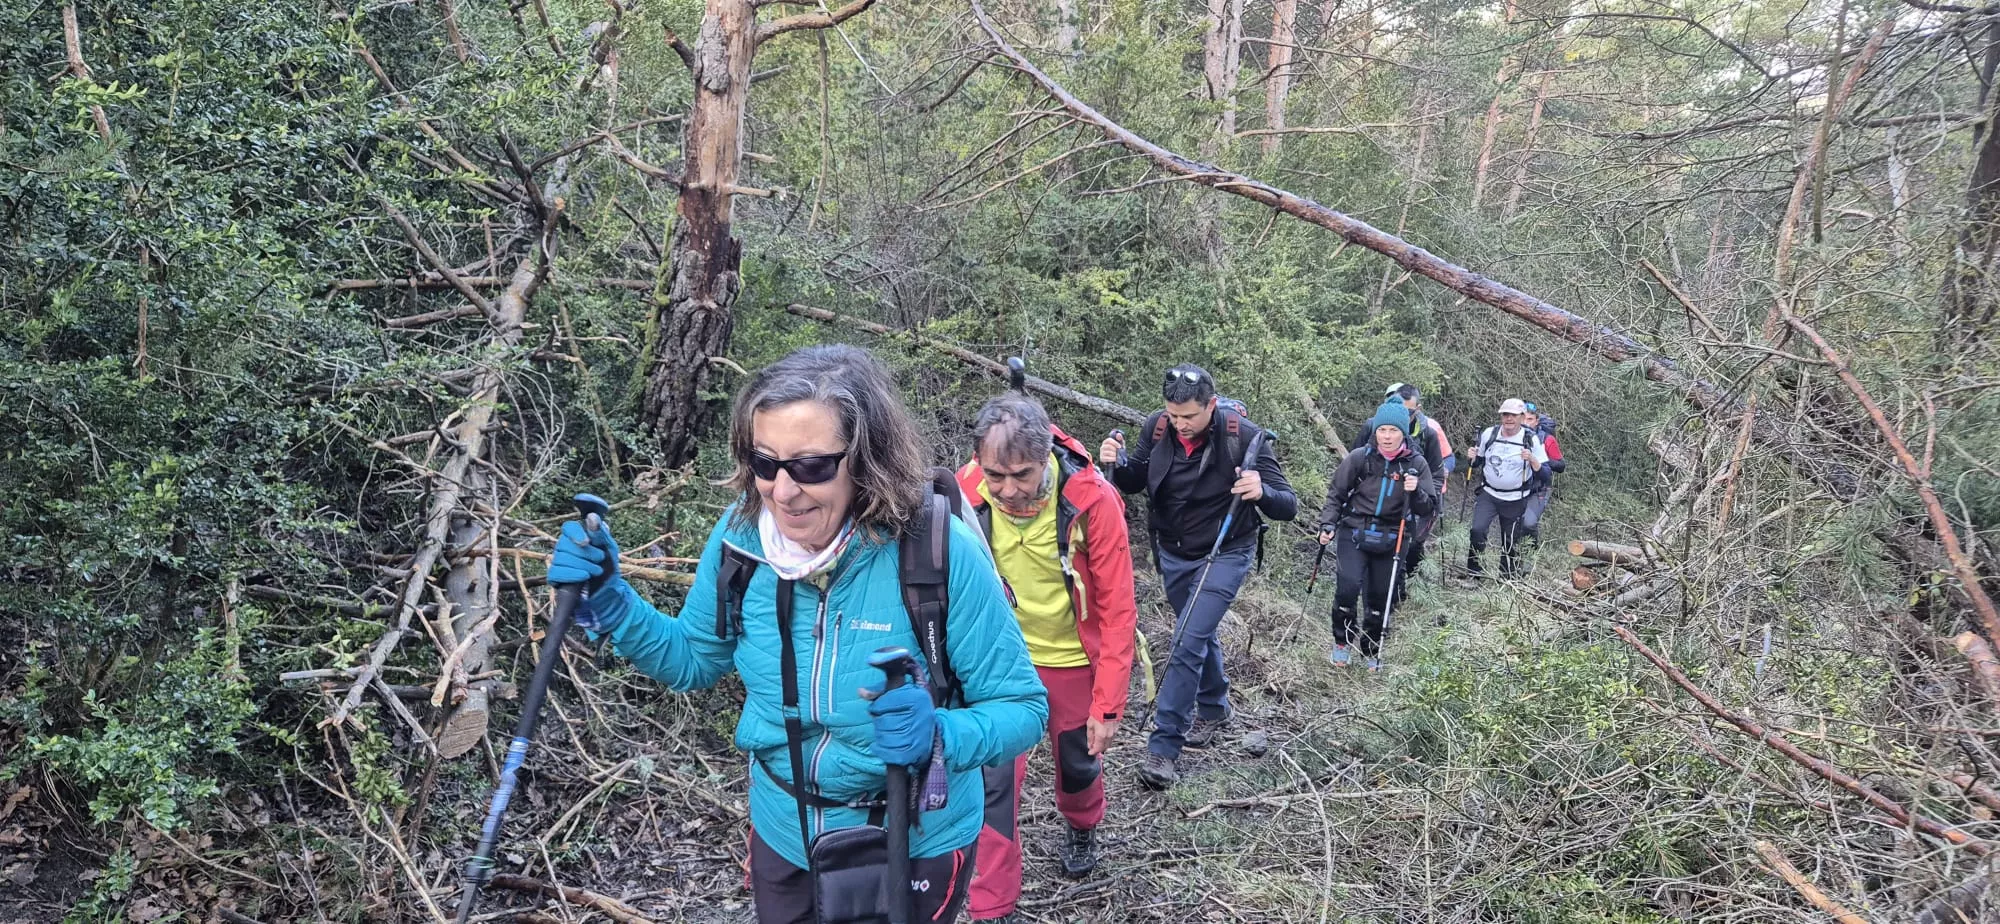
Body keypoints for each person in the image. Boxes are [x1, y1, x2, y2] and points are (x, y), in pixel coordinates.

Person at [547, 345, 1048, 924]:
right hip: (785, 831)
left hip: (910, 838)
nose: (783, 492)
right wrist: (612, 601)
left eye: (811, 467)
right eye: (765, 463)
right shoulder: (742, 537)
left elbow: (1023, 708)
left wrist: (939, 734)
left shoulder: (936, 552)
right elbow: (692, 659)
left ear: (865, 459)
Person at [955, 393, 1138, 922]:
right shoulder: (967, 491)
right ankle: (993, 906)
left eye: (1023, 474)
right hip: (999, 661)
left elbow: (1117, 610)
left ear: (1047, 458)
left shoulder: (1091, 501)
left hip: (1072, 659)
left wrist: (1107, 706)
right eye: (996, 475)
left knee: (1077, 764)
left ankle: (1083, 826)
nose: (1010, 490)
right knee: (993, 780)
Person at [1098, 364, 1298, 790]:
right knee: (1197, 633)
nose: (1180, 425)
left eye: (1188, 416)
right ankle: (1214, 706)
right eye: (1173, 415)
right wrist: (1116, 462)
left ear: (1211, 405)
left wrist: (1260, 491)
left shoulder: (1244, 437)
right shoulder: (1157, 428)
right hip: (1172, 552)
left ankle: (1163, 747)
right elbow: (1135, 481)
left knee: (1186, 639)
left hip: (1225, 552)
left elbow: (1288, 505)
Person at [1318, 401, 1438, 669]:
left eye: (1392, 431)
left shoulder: (1416, 463)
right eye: (1381, 429)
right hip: (1355, 531)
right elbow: (1336, 494)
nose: (1386, 436)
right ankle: (1342, 642)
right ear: (1375, 430)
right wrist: (1327, 524)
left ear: (1403, 433)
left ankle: (1371, 650)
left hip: (1394, 535)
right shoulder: (1360, 457)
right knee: (1347, 589)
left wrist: (1415, 489)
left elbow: (1428, 507)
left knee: (1379, 598)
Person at [1349, 384, 1449, 596]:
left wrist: (1424, 498)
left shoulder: (1428, 434)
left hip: (1417, 498)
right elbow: (1354, 461)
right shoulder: (1372, 428)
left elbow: (1437, 474)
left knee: (1411, 545)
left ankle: (1407, 588)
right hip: (1379, 502)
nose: (1403, 415)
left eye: (1409, 412)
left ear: (1418, 409)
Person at [1460, 398, 1548, 582]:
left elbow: (1546, 475)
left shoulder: (1530, 439)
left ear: (1522, 417)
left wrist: (1532, 459)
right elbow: (1478, 462)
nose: (1509, 418)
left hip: (1516, 498)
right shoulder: (1489, 434)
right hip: (1489, 494)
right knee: (1477, 530)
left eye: (1513, 415)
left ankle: (1506, 578)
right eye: (1505, 414)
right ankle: (1474, 574)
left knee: (1510, 541)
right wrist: (1472, 458)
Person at [1520, 406, 1566, 546]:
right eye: (1523, 418)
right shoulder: (1510, 436)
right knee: (1515, 523)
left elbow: (1561, 465)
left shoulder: (1547, 439)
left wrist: (1540, 459)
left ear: (1537, 421)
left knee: (1528, 523)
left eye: (1530, 419)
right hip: (1517, 487)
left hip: (1540, 488)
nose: (1526, 423)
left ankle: (1530, 555)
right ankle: (1515, 557)